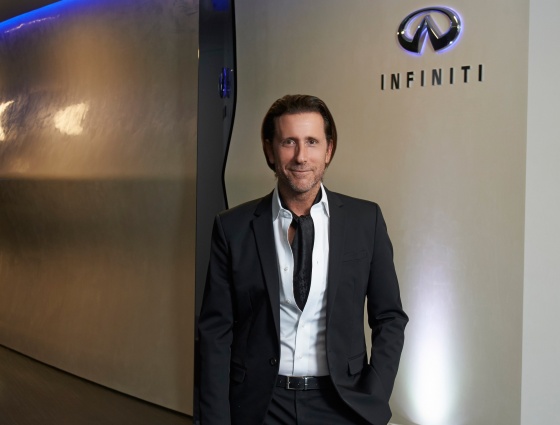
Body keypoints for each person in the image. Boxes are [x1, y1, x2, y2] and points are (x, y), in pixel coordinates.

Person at [198, 94, 408, 425]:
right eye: (289, 142)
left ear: (328, 150)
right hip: (259, 406)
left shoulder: (365, 220)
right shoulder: (233, 227)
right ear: (270, 150)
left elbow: (390, 317)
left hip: (343, 403)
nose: (301, 156)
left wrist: (375, 393)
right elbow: (215, 332)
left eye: (312, 142)